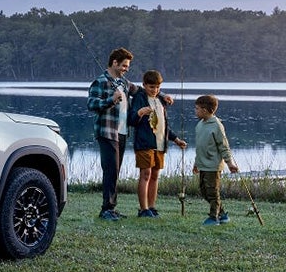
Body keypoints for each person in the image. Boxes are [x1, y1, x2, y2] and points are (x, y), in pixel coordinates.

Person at [87, 48, 172, 221]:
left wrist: (162, 94)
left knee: (116, 171)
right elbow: (91, 104)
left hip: (123, 132)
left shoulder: (124, 83)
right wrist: (111, 100)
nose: (126, 68)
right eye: (124, 65)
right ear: (115, 63)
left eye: (128, 66)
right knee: (110, 170)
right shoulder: (100, 82)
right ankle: (106, 210)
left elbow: (142, 90)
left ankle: (111, 208)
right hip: (107, 132)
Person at [128, 70, 187, 217]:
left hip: (160, 144)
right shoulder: (139, 98)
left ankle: (152, 207)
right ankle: (143, 209)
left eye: (157, 87)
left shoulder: (160, 100)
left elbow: (164, 125)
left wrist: (176, 139)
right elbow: (131, 121)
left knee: (155, 175)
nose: (154, 90)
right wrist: (140, 113)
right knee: (145, 174)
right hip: (144, 143)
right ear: (144, 85)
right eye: (151, 87)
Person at [192, 94, 238, 225]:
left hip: (213, 166)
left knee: (212, 192)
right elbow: (200, 147)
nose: (195, 111)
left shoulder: (216, 126)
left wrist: (230, 163)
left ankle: (214, 217)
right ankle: (222, 214)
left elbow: (224, 146)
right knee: (204, 191)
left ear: (205, 110)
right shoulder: (200, 125)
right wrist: (196, 163)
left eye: (197, 108)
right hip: (202, 164)